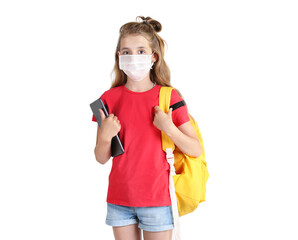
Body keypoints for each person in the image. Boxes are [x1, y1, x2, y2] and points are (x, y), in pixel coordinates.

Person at [92, 16, 202, 240]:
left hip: (158, 200)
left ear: (153, 56)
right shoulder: (108, 99)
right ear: (119, 56)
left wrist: (169, 128)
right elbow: (101, 157)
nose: (133, 57)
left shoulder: (169, 97)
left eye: (141, 51)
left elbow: (195, 149)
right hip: (119, 199)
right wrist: (105, 136)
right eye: (126, 51)